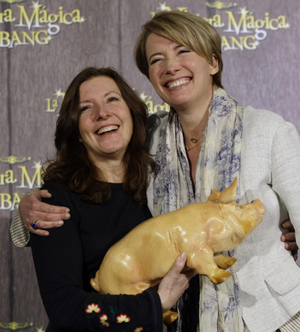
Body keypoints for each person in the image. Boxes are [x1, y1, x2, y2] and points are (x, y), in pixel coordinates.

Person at [10, 10, 300, 332]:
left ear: (213, 63)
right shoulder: (149, 140)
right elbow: (81, 183)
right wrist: (27, 212)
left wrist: (284, 233)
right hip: (179, 318)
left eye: (183, 51)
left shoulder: (268, 130)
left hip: (268, 314)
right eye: (156, 60)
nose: (170, 66)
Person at [24, 66, 195, 332]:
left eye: (112, 99)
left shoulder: (161, 185)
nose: (102, 113)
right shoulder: (56, 200)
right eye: (85, 108)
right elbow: (64, 309)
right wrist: (154, 304)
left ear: (132, 112)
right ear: (76, 130)